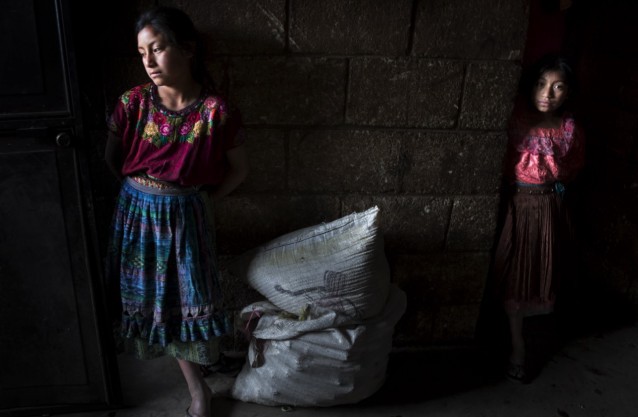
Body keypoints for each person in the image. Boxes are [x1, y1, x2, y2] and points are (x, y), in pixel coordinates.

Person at [104, 6, 249, 417]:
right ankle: (199, 389)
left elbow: (240, 171)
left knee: (191, 299)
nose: (148, 61)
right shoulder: (132, 104)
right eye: (141, 52)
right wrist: (142, 195)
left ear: (187, 50)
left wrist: (202, 201)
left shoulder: (215, 113)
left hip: (187, 216)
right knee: (154, 302)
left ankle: (206, 371)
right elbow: (112, 159)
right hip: (137, 214)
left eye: (158, 48)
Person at [492, 54, 585, 383]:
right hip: (518, 204)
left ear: (568, 93)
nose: (548, 93)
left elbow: (573, 166)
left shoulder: (568, 129)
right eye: (542, 84)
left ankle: (531, 336)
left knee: (542, 271)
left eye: (558, 87)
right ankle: (517, 346)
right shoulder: (516, 118)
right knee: (515, 273)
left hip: (548, 208)